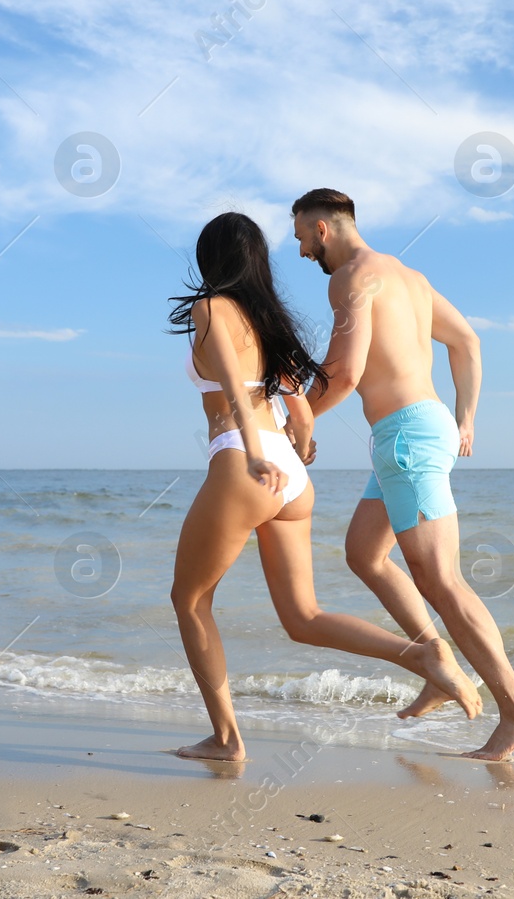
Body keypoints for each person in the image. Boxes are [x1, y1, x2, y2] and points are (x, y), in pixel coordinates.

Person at [167, 212, 481, 762]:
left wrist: (256, 451)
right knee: (302, 619)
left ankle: (226, 739)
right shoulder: (268, 322)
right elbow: (302, 414)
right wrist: (296, 449)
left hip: (246, 461)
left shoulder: (211, 308)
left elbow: (236, 394)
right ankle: (425, 655)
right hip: (291, 477)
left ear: (208, 257)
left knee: (189, 599)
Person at [291, 188, 514, 761]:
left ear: (323, 229)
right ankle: (436, 661)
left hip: (407, 436)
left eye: (303, 238)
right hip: (418, 430)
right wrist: (464, 417)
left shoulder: (351, 277)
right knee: (364, 553)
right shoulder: (410, 277)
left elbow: (347, 370)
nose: (303, 252)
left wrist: (299, 417)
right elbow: (468, 341)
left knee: (443, 582)